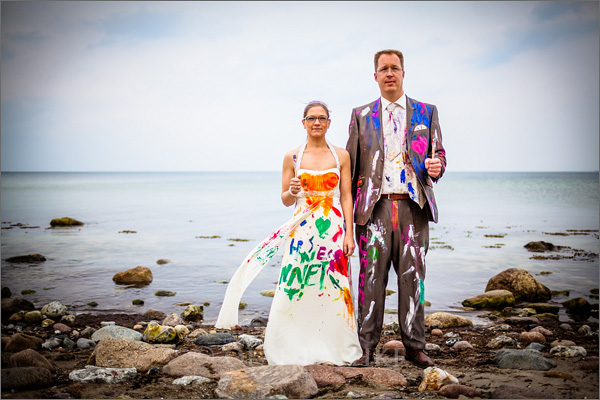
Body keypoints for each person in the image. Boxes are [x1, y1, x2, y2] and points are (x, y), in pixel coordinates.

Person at [216, 101, 362, 366]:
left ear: (329, 123)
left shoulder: (341, 156)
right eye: (311, 118)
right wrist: (292, 191)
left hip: (333, 229)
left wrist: (349, 234)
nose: (316, 122)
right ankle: (291, 345)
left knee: (333, 287)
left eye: (321, 118)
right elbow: (284, 199)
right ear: (303, 123)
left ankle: (335, 346)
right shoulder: (292, 157)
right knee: (296, 285)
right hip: (301, 231)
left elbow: (347, 196)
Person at [346, 49, 446, 367]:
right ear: (375, 76)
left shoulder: (426, 112)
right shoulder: (361, 116)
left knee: (412, 279)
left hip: (413, 209)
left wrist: (436, 167)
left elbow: (439, 155)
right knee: (370, 281)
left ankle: (415, 347)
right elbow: (350, 171)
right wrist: (346, 222)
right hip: (373, 210)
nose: (389, 73)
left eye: (395, 68)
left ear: (404, 73)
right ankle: (366, 347)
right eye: (383, 68)